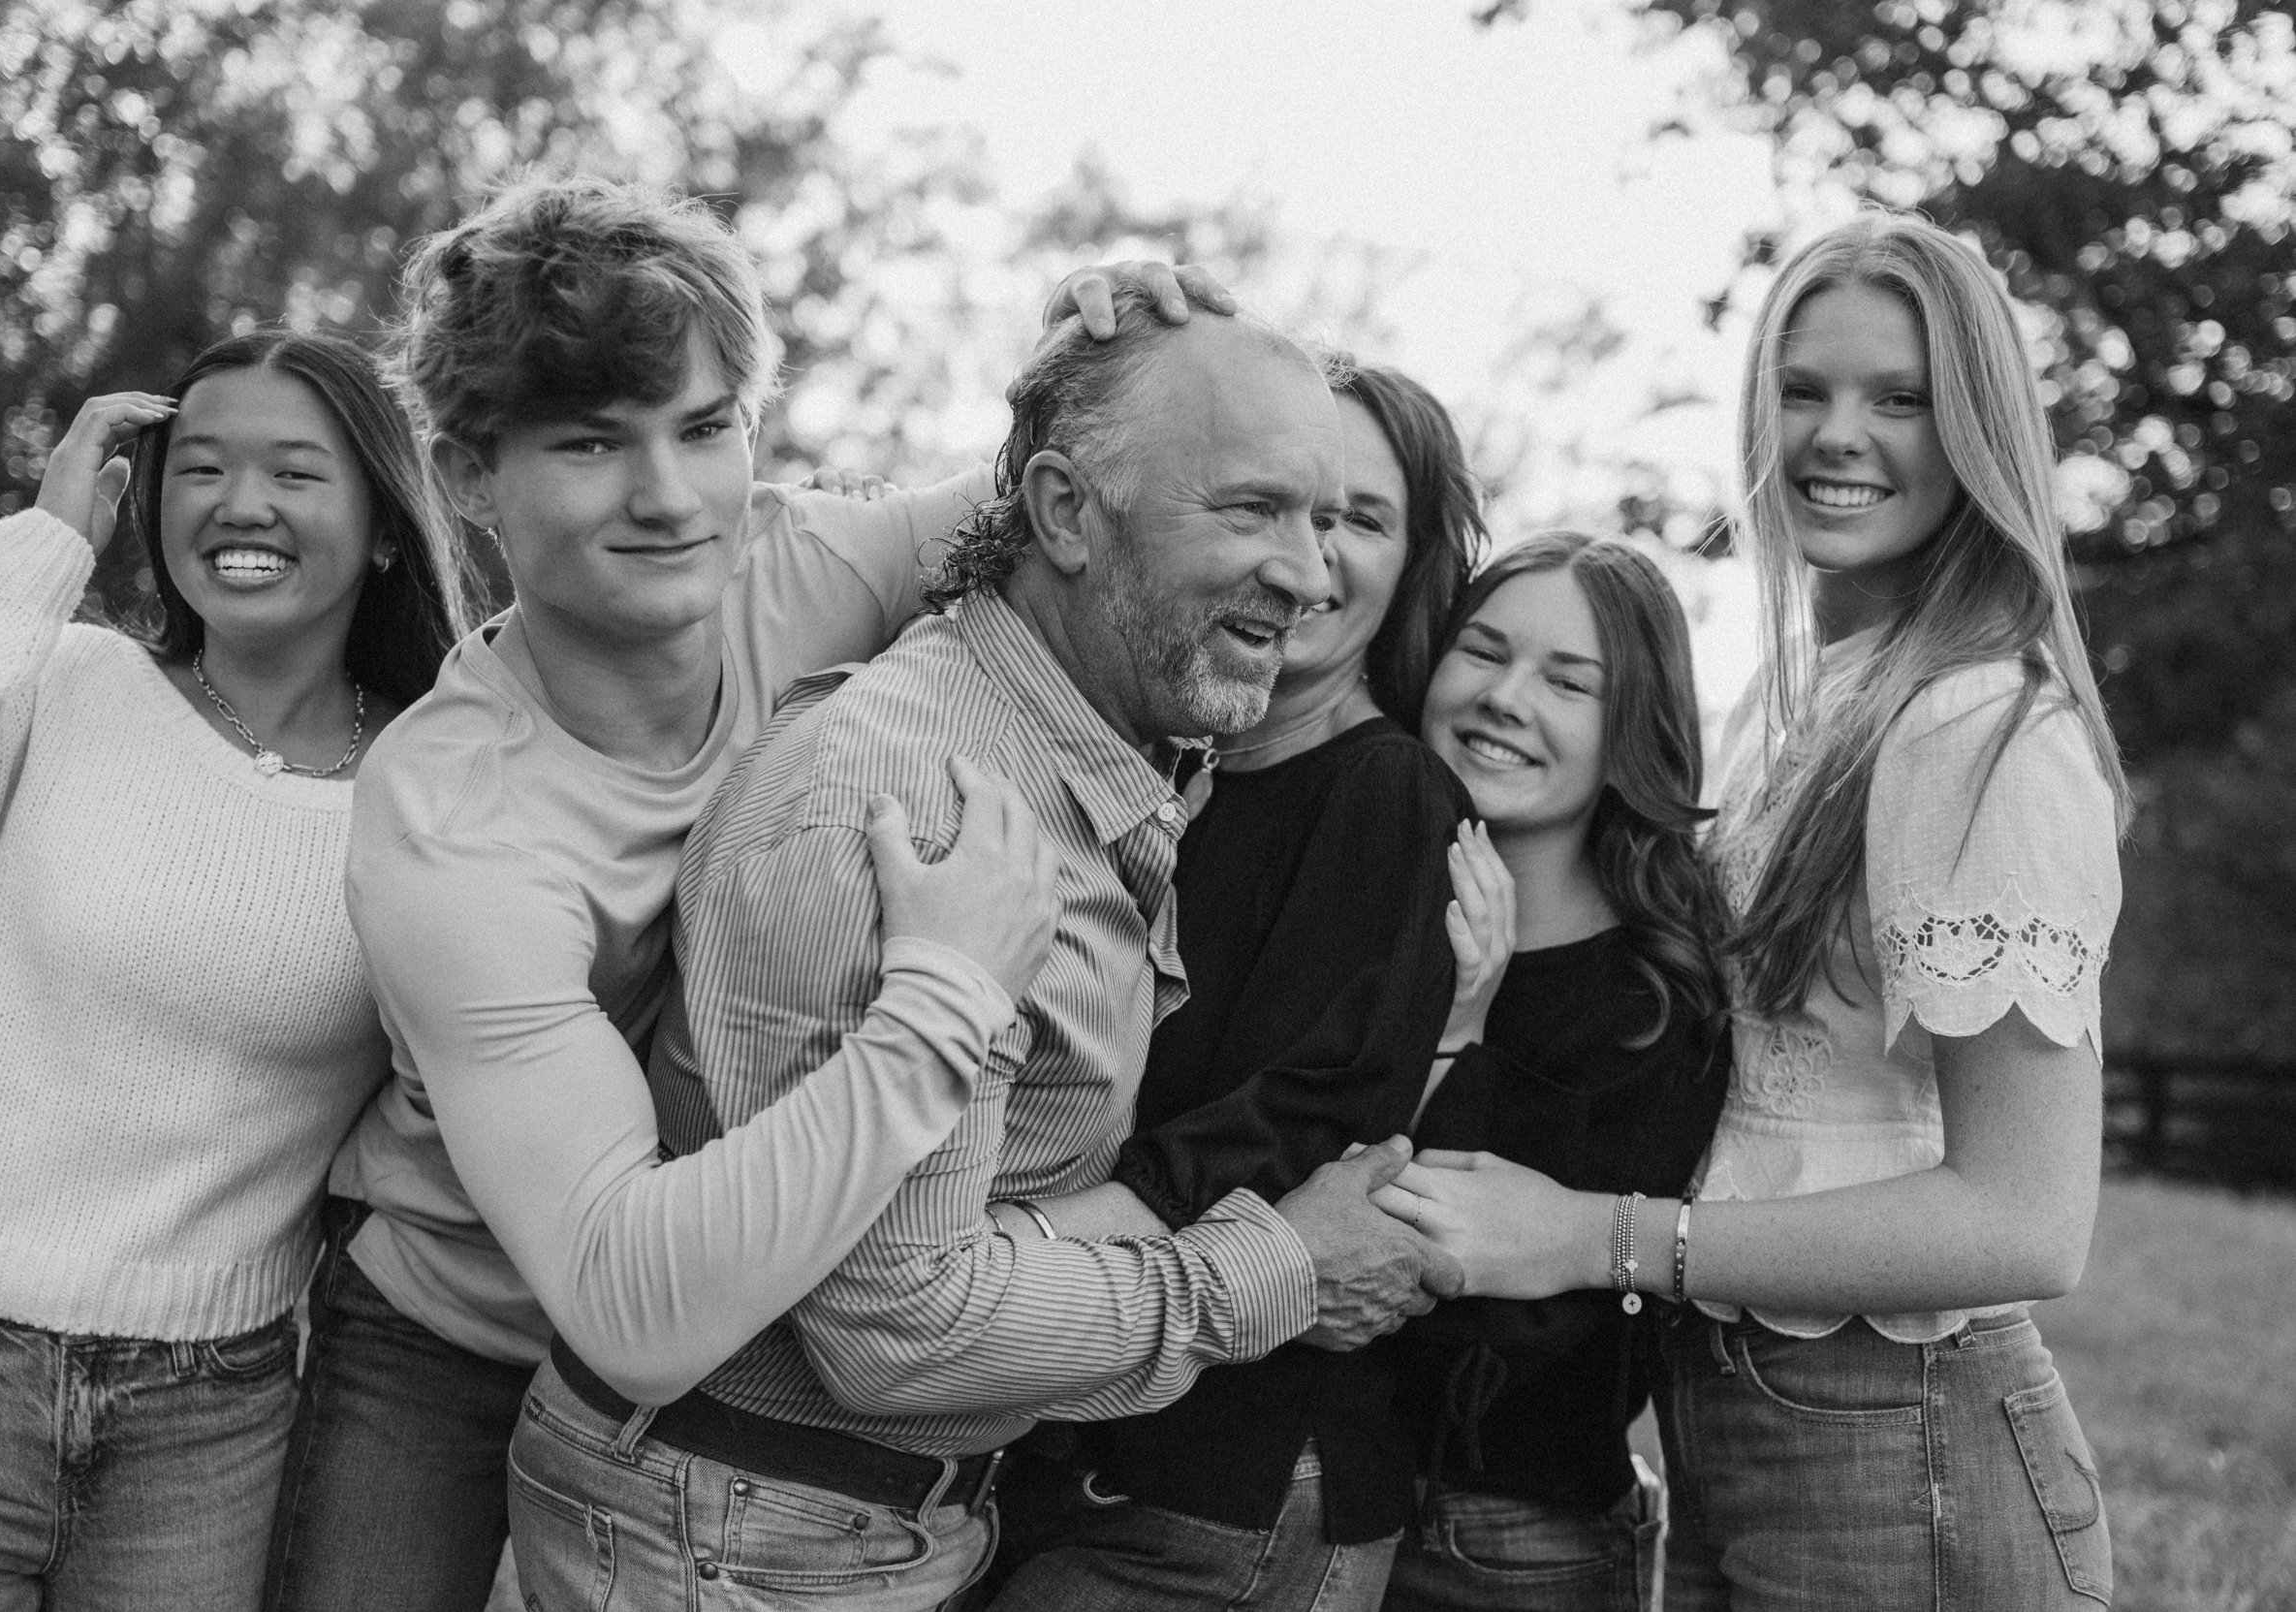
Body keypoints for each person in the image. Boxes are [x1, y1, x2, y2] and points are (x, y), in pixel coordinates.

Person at [266, 178, 1191, 1611]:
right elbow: (627, 1304)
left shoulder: (797, 560)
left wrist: (1101, 344)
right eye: (591, 443)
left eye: (704, 428)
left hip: (741, 1358)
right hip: (462, 1320)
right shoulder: (454, 820)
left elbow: (1056, 495)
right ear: (464, 475)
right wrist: (945, 996)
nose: (669, 497)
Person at [508, 287, 1463, 1610]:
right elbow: (897, 1333)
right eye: (1253, 509)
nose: (1306, 574)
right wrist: (1279, 1268)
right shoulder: (921, 811)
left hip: (858, 1517)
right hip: (741, 1534)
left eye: (1324, 519)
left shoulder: (1087, 755)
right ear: (1066, 513)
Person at [1374, 211, 2127, 1609]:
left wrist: (1595, 1233)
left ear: (1977, 427)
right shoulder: (1806, 699)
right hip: (1735, 1411)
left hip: (1903, 1430)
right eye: (1802, 388)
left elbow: (2029, 1218)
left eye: (1900, 398)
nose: (1837, 434)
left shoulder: (1979, 724)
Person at [0, 328, 474, 1605]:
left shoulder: (441, 786)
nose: (241, 503)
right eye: (200, 467)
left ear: (382, 525)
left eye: (294, 472)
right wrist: (42, 548)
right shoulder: (60, 682)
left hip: (206, 1424)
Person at [980, 355, 1486, 1612]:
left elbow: (1303, 1116)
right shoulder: (1162, 775)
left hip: (1233, 1489)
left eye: (1359, 518)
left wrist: (1014, 1255)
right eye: (1278, 504)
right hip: (1088, 1436)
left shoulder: (1385, 791)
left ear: (1412, 568)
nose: (1311, 556)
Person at [1381, 533, 1730, 1612]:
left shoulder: (1654, 1000)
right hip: (1306, 1499)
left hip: (1505, 1537)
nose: (1505, 697)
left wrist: (1464, 1027)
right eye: (1483, 652)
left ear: (1630, 734)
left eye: (1568, 683)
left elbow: (1467, 1293)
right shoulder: (1364, 913)